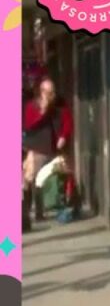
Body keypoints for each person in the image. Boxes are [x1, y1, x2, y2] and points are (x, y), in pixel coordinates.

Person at [22, 76, 73, 222]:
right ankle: (33, 212)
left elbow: (68, 122)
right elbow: (29, 126)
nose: (51, 96)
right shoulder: (32, 107)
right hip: (38, 149)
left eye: (53, 92)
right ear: (41, 92)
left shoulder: (60, 106)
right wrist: (43, 111)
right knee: (34, 180)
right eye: (48, 92)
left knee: (60, 175)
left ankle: (65, 204)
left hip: (55, 149)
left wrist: (63, 136)